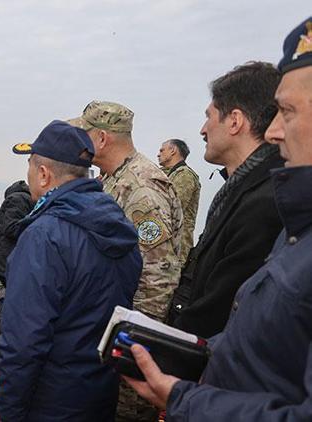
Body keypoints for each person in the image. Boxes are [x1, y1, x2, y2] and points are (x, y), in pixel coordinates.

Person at [125, 17, 312, 421]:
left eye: (289, 111)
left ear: (235, 120)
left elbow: (223, 296)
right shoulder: (268, 204)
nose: (275, 131)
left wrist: (182, 394)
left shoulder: (267, 203)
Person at [0, 120, 141, 421]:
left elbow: (24, 344)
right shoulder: (119, 225)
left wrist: (10, 412)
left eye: (29, 169)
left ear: (44, 175)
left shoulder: (44, 236)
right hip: (100, 393)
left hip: (51, 402)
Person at [69, 100, 183, 421]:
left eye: (85, 134)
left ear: (102, 139)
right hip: (113, 328)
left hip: (132, 342)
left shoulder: (142, 187)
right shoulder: (113, 178)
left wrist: (134, 346)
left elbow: (158, 275)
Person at [166, 62, 284, 338]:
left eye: (209, 116)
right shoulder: (240, 189)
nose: (203, 129)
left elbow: (220, 309)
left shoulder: (264, 202)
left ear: (234, 121)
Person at [157, 139, 200, 261]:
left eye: (162, 150)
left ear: (173, 150)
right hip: (164, 249)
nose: (158, 154)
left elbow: (172, 208)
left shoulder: (184, 175)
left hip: (176, 252)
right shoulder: (168, 175)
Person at [0, 180, 32, 287]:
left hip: (6, 261)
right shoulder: (21, 200)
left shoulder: (18, 199)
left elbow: (10, 227)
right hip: (9, 261)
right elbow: (11, 227)